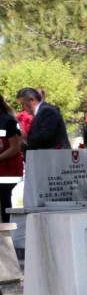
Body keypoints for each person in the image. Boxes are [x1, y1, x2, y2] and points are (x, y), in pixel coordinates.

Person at [0, 95, 23, 223]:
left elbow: (16, 147)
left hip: (7, 172)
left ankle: (6, 237)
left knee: (4, 201)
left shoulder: (7, 121)